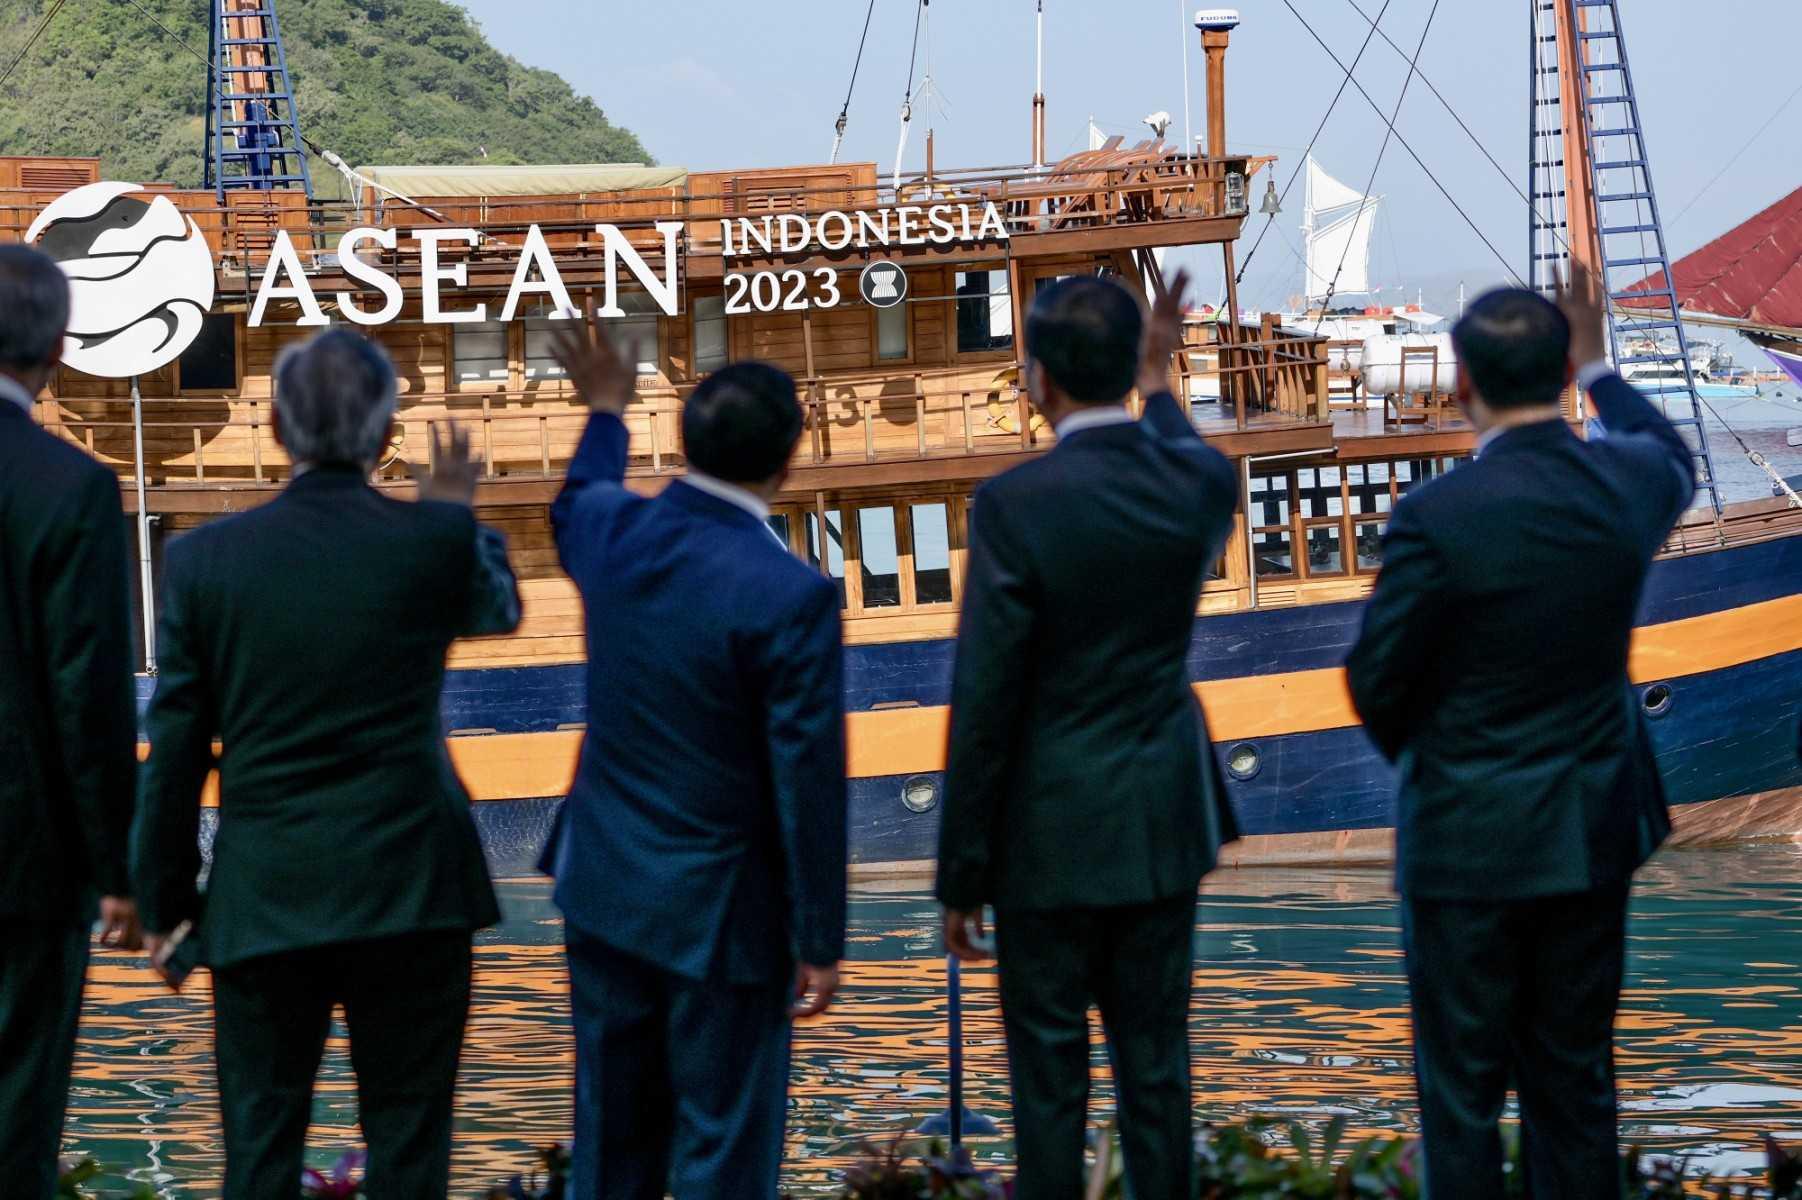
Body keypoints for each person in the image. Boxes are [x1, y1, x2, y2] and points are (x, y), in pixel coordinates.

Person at [131, 329, 521, 1199]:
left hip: (266, 893)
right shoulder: (429, 541)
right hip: (415, 887)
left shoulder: (203, 562)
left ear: (274, 425)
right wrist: (457, 516)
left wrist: (165, 908)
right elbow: (498, 613)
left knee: (260, 1155)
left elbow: (179, 748)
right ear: (387, 435)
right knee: (411, 1150)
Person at [1345, 270, 1695, 1199]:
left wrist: (1442, 764)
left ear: (1459, 382)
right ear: (1560, 372)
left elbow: (1376, 682)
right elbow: (1668, 450)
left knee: (1459, 1099)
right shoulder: (1624, 485)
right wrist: (1601, 368)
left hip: (1463, 840)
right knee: (1575, 1087)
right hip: (1590, 831)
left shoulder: (1435, 517)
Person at [936, 271, 1241, 1200]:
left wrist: (961, 873)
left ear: (1036, 380)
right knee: (1158, 1073)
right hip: (1161, 817)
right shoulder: (1198, 481)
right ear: (1132, 367)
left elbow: (985, 698)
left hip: (1044, 833)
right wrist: (1158, 380)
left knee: (1048, 1087)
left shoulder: (1014, 505)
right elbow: (1183, 444)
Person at [542, 316, 847, 1200]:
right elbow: (806, 778)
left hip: (601, 888)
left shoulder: (610, 532)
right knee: (723, 1149)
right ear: (788, 459)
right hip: (725, 912)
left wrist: (604, 408)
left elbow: (580, 493)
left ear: (683, 438)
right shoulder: (791, 594)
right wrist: (819, 938)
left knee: (609, 1141)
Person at [0, 244, 142, 1196]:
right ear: (60, 342)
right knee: (18, 1105)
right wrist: (117, 871)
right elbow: (86, 693)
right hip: (22, 861)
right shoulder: (75, 488)